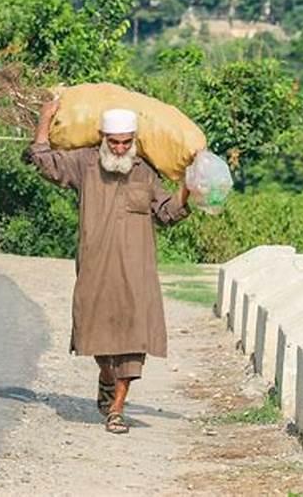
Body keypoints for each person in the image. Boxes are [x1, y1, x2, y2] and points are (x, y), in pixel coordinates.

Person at [27, 100, 191, 434]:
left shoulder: (145, 172)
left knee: (134, 338)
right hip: (95, 265)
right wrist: (44, 119)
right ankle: (105, 375)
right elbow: (43, 161)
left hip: (136, 269)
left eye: (125, 142)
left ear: (134, 141)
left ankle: (117, 407)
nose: (119, 149)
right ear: (102, 137)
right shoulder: (84, 164)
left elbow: (167, 213)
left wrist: (187, 189)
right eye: (113, 142)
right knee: (94, 332)